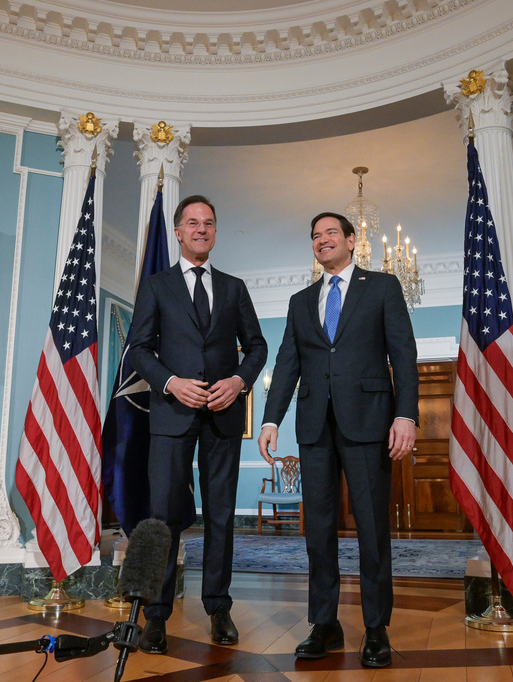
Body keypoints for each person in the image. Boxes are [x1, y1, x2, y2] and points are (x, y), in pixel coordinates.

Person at [258, 211, 418, 668]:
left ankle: (375, 628)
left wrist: (405, 414)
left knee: (371, 528)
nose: (322, 240)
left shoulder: (383, 286)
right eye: (315, 236)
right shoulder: (300, 300)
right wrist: (271, 421)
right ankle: (324, 624)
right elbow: (288, 364)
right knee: (319, 533)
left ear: (351, 240)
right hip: (313, 428)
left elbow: (403, 353)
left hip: (369, 423)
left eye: (331, 233)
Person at [128, 195, 267, 653]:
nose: (202, 229)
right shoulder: (155, 286)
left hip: (224, 416)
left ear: (214, 231)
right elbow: (138, 349)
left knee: (222, 516)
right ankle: (156, 615)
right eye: (193, 222)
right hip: (171, 416)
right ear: (179, 231)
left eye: (209, 223)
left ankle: (218, 607)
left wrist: (240, 380)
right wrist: (170, 382)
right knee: (163, 517)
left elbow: (258, 347)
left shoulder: (234, 287)